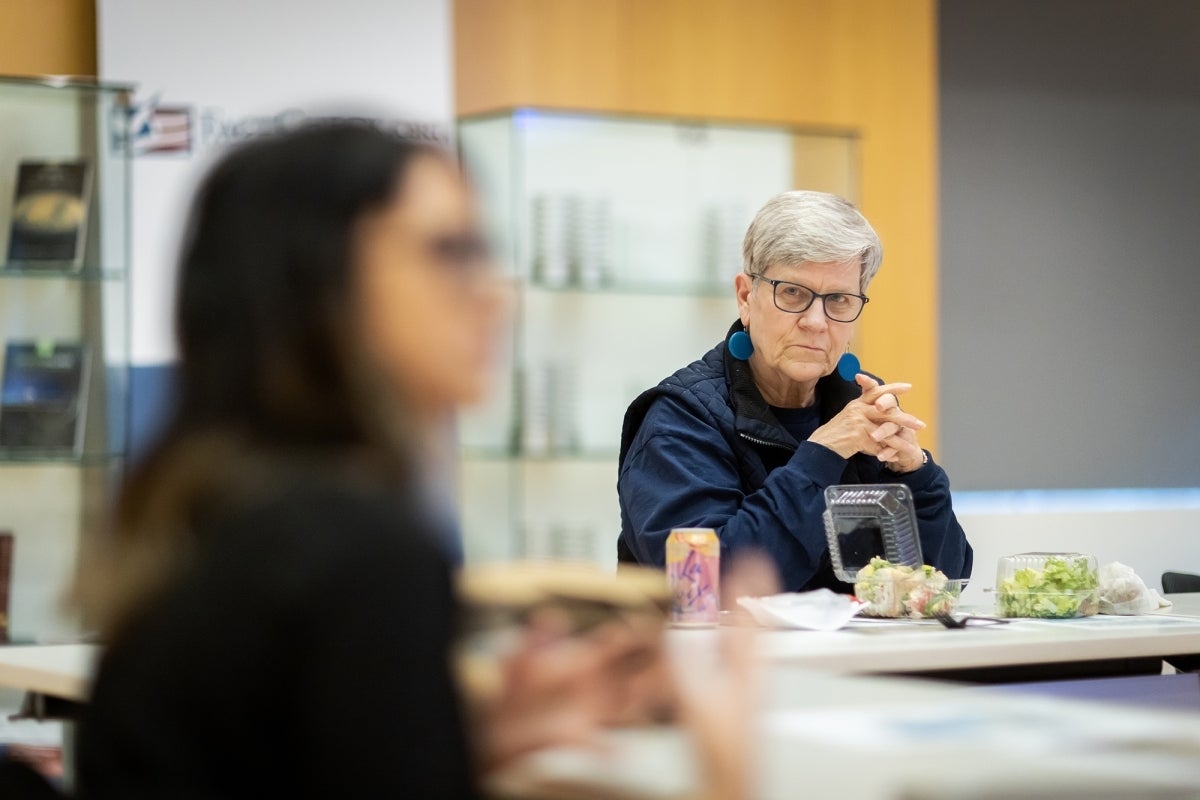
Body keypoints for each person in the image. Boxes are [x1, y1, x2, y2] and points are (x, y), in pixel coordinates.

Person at [70, 121, 746, 798]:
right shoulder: (356, 548)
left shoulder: (212, 505)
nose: (493, 292)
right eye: (451, 251)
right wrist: (720, 776)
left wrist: (466, 745)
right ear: (318, 279)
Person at [617, 190, 972, 592]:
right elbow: (707, 585)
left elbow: (941, 583)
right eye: (793, 293)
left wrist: (915, 474)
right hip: (723, 655)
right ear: (746, 297)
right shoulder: (680, 417)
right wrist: (821, 454)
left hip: (860, 655)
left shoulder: (862, 407)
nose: (816, 322)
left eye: (838, 299)